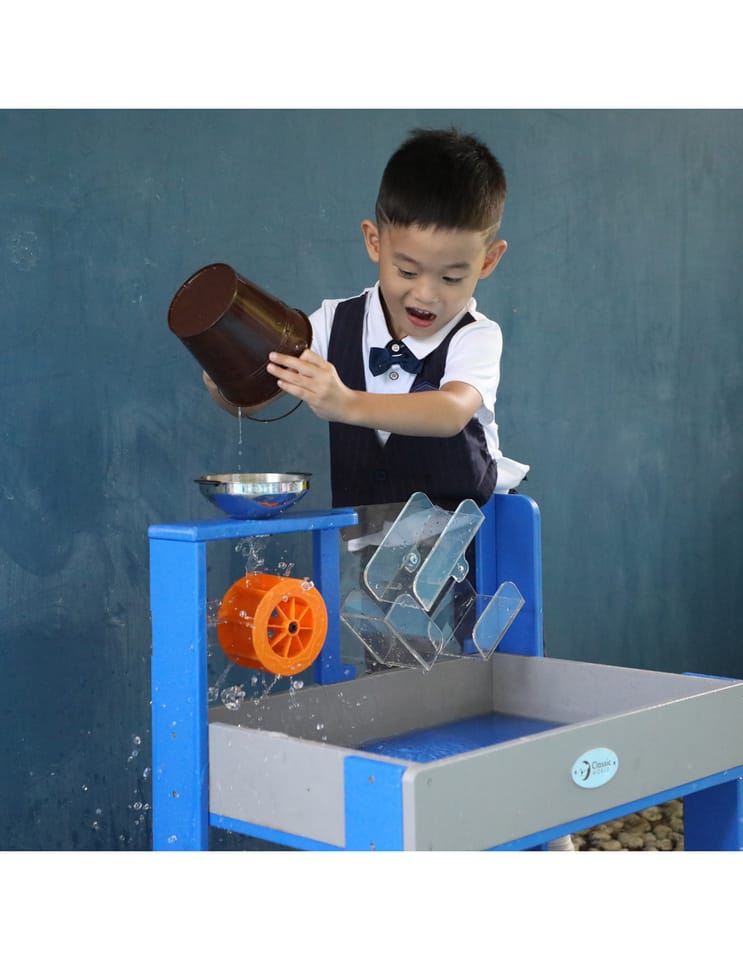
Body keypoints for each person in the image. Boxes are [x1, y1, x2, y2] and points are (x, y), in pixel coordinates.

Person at [203, 127, 529, 510]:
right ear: (375, 242)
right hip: (360, 540)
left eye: (451, 278)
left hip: (469, 538)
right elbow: (257, 394)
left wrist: (346, 403)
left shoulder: (475, 336)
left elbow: (451, 411)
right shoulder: (333, 323)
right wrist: (227, 378)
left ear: (488, 261)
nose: (426, 294)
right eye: (407, 272)